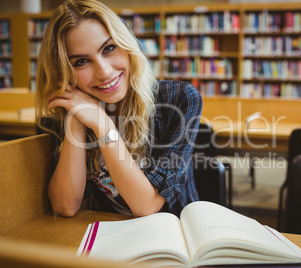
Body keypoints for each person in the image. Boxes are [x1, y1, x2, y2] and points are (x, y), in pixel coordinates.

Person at [35, 0, 202, 218]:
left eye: (109, 48)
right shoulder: (62, 114)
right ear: (64, 72)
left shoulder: (179, 100)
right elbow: (65, 206)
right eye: (81, 61)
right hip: (112, 236)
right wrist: (76, 118)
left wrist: (102, 124)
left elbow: (147, 206)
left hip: (175, 233)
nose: (104, 72)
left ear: (127, 45)